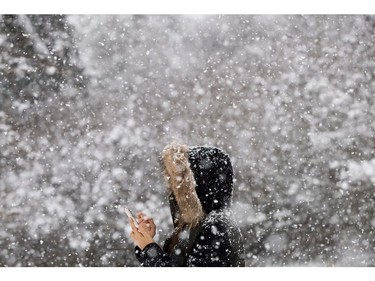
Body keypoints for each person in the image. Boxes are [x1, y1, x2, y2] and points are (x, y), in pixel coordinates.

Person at [128, 143, 245, 266]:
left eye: (182, 182)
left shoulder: (216, 227)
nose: (177, 188)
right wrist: (147, 244)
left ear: (202, 183)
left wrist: (149, 249)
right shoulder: (193, 225)